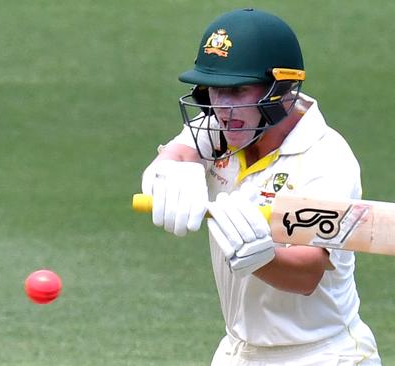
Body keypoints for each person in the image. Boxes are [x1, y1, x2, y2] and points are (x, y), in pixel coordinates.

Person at [141, 8, 382, 365]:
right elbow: (179, 152)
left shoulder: (325, 159)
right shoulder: (221, 128)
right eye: (215, 90)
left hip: (322, 354)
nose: (222, 108)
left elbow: (308, 273)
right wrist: (166, 171)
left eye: (238, 90)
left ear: (281, 89)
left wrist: (259, 255)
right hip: (239, 351)